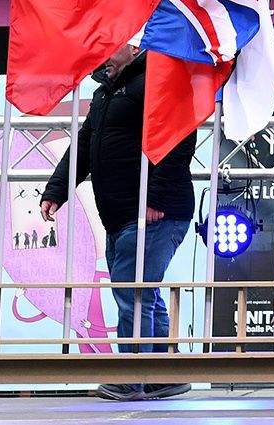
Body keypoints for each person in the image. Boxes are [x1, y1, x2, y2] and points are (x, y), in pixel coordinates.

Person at [40, 44, 195, 402]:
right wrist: (57, 190)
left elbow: (181, 138)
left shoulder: (157, 81)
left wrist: (156, 196)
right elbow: (82, 146)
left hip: (154, 212)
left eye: (109, 48)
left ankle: (132, 376)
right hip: (122, 215)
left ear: (134, 47)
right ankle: (159, 375)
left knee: (134, 294)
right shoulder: (103, 93)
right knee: (142, 293)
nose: (101, 56)